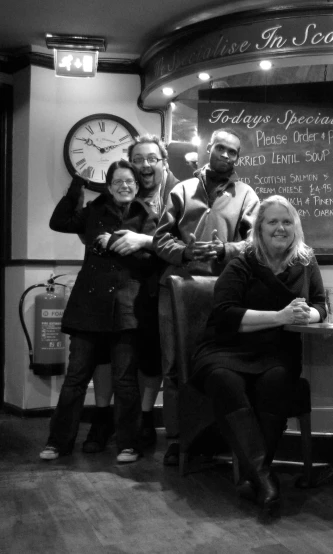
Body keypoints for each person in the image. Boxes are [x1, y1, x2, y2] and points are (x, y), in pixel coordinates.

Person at [190, 195, 326, 515]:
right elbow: (224, 314)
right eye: (272, 222)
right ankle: (264, 476)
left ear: (296, 227)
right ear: (259, 229)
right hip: (226, 348)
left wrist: (309, 316)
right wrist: (280, 317)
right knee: (223, 379)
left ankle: (255, 475)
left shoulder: (306, 261)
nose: (281, 227)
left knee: (277, 381)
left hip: (278, 352)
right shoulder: (242, 263)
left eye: (287, 221)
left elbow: (321, 305)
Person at [154, 127, 260, 466]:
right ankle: (177, 438)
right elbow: (160, 240)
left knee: (221, 365)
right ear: (208, 150)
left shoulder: (246, 194)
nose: (227, 156)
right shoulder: (182, 190)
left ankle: (219, 437)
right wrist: (186, 252)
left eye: (234, 153)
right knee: (174, 368)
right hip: (177, 291)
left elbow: (256, 242)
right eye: (222, 149)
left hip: (224, 292)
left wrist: (226, 249)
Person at [40, 160, 158, 464]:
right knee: (76, 378)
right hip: (88, 306)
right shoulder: (94, 210)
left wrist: (117, 241)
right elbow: (59, 222)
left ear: (137, 185)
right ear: (109, 186)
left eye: (129, 181)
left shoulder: (146, 215)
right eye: (118, 181)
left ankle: (128, 445)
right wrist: (77, 186)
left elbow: (152, 258)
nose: (125, 186)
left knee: (125, 380)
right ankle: (58, 442)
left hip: (127, 306)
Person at [82, 135, 180, 453]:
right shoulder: (116, 196)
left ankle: (146, 418)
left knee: (150, 357)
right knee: (106, 355)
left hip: (159, 288)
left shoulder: (179, 194)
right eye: (138, 159)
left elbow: (185, 244)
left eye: (151, 158)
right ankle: (102, 418)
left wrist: (143, 241)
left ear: (163, 162)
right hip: (116, 289)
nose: (144, 165)